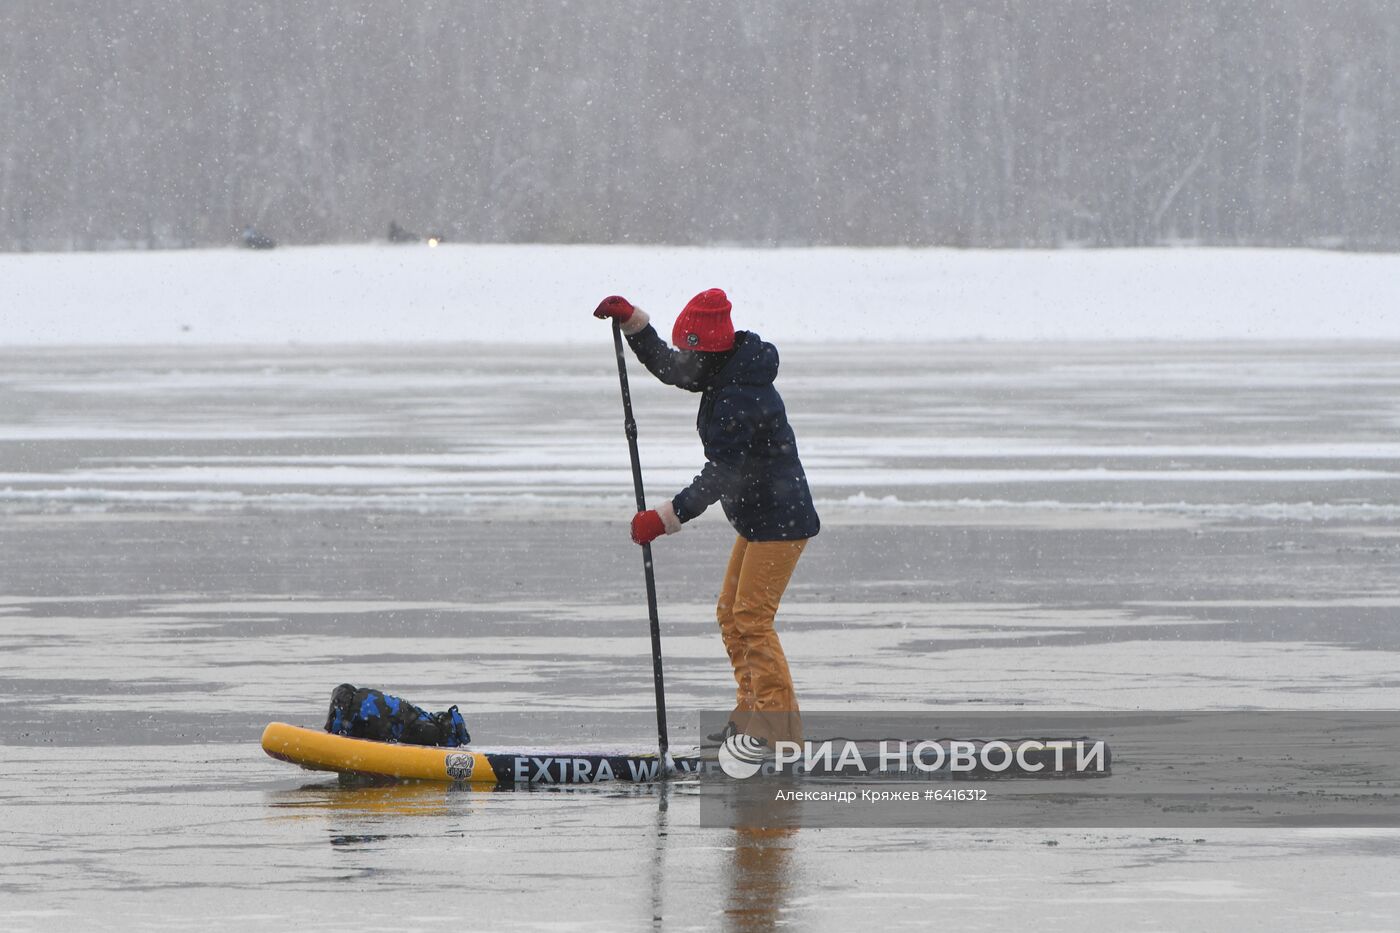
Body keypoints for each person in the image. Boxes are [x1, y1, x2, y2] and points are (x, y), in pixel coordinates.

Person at [594, 288, 820, 747]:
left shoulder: (740, 396)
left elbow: (721, 476)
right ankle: (750, 715)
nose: (684, 360)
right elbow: (673, 368)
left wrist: (665, 517)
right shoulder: (723, 368)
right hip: (760, 520)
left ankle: (778, 732)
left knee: (752, 618)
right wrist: (636, 326)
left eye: (690, 349)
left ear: (709, 351)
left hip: (781, 521)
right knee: (731, 614)